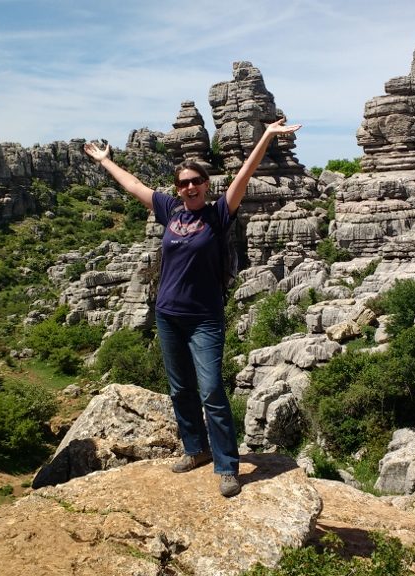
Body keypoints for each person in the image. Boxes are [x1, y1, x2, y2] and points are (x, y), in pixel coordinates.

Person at [84, 118, 302, 497]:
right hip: (168, 315)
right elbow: (133, 185)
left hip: (204, 318)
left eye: (195, 182)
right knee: (180, 388)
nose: (189, 187)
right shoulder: (170, 210)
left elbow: (243, 178)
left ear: (205, 185)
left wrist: (266, 135)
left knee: (212, 390)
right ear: (178, 189)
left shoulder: (217, 215)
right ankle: (195, 449)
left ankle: (227, 466)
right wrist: (105, 161)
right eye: (183, 183)